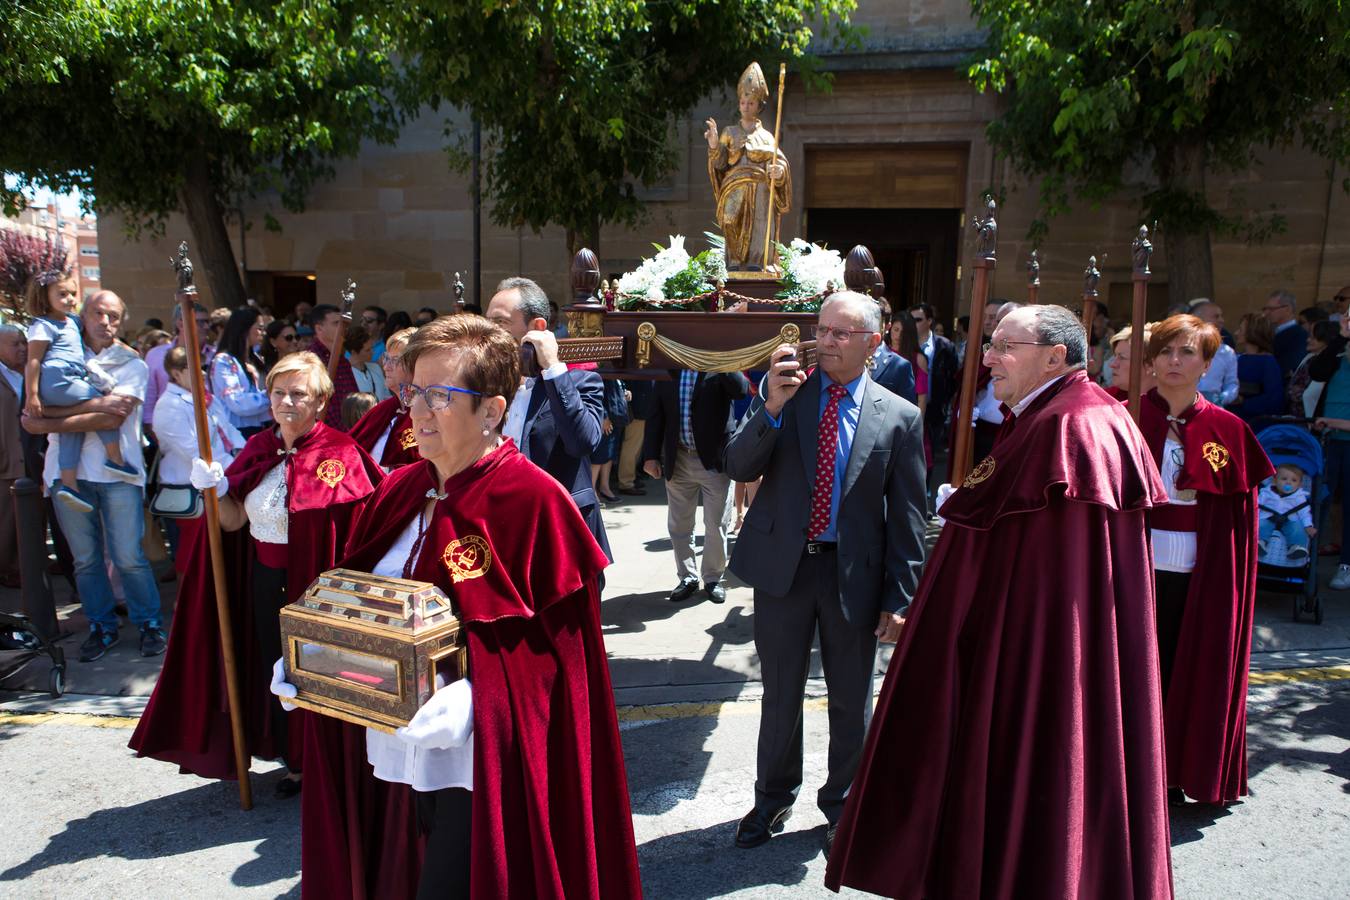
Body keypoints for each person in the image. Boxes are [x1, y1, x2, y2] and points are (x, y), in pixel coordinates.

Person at [282, 314, 643, 898]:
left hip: (482, 766)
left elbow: (561, 668)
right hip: (386, 744)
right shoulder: (398, 489)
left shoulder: (535, 503)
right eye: (412, 391)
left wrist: (477, 700)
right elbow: (353, 599)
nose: (417, 411)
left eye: (440, 396)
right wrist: (316, 657)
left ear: (493, 411)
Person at [826, 305, 1172, 897]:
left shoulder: (1070, 427)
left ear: (1055, 356)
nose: (986, 358)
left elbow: (1045, 566)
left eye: (1004, 346)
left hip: (1032, 653)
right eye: (990, 345)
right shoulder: (1053, 415)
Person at [724, 291, 927, 855]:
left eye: (842, 333)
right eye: (823, 330)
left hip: (852, 573)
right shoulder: (787, 396)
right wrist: (768, 405)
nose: (827, 341)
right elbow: (737, 464)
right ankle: (771, 798)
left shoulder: (899, 416)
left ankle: (844, 804)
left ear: (872, 341)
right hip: (784, 572)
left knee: (849, 697)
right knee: (780, 695)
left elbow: (909, 515)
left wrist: (901, 595)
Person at [129, 352, 381, 801]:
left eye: (298, 394)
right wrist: (216, 490)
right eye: (278, 393)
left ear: (320, 401)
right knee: (278, 676)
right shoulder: (259, 449)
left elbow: (363, 526)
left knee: (325, 676)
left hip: (319, 591)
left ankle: (332, 763)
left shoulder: (340, 453)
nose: (287, 402)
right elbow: (230, 524)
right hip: (266, 584)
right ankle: (296, 761)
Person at [1138, 314, 1271, 806]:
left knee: (1187, 669)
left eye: (1187, 352)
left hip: (1202, 573)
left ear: (1208, 364)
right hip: (1134, 568)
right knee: (1136, 668)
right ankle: (1129, 766)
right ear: (1150, 362)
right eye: (1166, 352)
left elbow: (1238, 518)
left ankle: (1178, 771)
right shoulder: (1127, 419)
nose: (1175, 362)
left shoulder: (1228, 429)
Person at [21, 291, 164, 660]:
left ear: (122, 322)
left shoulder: (133, 363)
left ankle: (149, 624)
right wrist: (99, 402)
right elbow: (31, 420)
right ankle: (102, 628)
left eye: (114, 316)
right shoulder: (60, 354)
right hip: (67, 476)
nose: (106, 322)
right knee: (85, 561)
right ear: (82, 316)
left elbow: (113, 418)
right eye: (99, 313)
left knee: (128, 556)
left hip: (119, 476)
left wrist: (55, 415)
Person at [484, 277, 610, 561]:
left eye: (500, 323)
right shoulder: (485, 385)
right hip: (496, 527)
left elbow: (583, 442)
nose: (489, 332)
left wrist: (553, 368)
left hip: (559, 535)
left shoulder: (579, 380)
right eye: (487, 321)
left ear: (537, 328)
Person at [22, 271, 138, 511]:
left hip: (68, 378)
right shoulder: (42, 326)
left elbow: (105, 336)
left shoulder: (72, 322)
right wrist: (32, 394)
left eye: (73, 293)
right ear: (45, 297)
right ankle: (115, 458)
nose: (70, 299)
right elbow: (33, 361)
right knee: (103, 402)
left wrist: (127, 349)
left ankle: (68, 483)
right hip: (58, 378)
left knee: (73, 428)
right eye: (62, 294)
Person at [643, 368, 750, 604]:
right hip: (678, 458)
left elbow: (741, 390)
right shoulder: (669, 366)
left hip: (713, 460)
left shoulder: (720, 364)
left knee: (716, 523)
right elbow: (656, 413)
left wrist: (721, 360)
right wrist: (650, 455)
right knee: (679, 523)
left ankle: (712, 578)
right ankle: (687, 577)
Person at [152, 346, 245, 576]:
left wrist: (246, 456)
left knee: (217, 557)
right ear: (176, 373)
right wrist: (236, 468)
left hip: (220, 483)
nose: (202, 373)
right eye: (193, 368)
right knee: (193, 556)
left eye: (203, 367)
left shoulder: (206, 399)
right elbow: (195, 451)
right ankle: (185, 607)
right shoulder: (169, 405)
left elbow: (229, 430)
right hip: (191, 489)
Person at [705, 62, 791, 271]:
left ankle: (756, 263)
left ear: (759, 105)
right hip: (734, 187)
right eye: (743, 102)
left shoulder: (766, 137)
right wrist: (715, 145)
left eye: (751, 103)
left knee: (760, 227)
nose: (746, 107)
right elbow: (720, 164)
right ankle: (734, 263)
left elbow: (780, 164)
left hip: (760, 189)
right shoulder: (729, 132)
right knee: (729, 220)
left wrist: (778, 172)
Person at [348, 327, 421, 472]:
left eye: (396, 360)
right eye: (386, 358)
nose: (386, 366)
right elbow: (348, 451)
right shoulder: (382, 411)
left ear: (416, 366)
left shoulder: (427, 413)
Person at [144, 300, 210, 438]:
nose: (207, 326)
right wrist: (151, 430)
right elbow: (149, 395)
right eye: (201, 322)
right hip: (171, 431)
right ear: (181, 323)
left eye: (208, 322)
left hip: (211, 429)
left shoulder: (215, 355)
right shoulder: (156, 355)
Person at [209, 307, 272, 436]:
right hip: (236, 433)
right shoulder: (224, 361)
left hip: (261, 428)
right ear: (244, 329)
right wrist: (272, 395)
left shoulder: (256, 359)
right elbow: (237, 402)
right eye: (259, 328)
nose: (263, 333)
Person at [910, 303, 959, 462]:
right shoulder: (904, 345)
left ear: (929, 321)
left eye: (918, 319)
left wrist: (945, 401)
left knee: (929, 458)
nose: (913, 323)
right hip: (910, 406)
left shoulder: (945, 346)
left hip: (935, 411)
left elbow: (954, 377)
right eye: (910, 320)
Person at [0, 324, 27, 586]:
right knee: (6, 520)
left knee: (30, 516)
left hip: (28, 458)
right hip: (6, 460)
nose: (21, 348)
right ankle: (7, 567)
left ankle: (25, 563)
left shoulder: (27, 373)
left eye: (23, 343)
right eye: (14, 344)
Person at [308, 304, 358, 430]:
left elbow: (354, 398)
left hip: (349, 433)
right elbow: (315, 403)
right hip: (325, 435)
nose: (343, 328)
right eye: (336, 323)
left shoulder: (343, 361)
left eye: (343, 324)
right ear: (319, 328)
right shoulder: (310, 361)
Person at [1231, 313, 1285, 420]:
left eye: (1241, 330)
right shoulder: (1239, 358)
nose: (1236, 333)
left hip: (1252, 421)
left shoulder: (1267, 362)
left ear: (1253, 333)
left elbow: (1274, 399)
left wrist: (1243, 401)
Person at [1258, 463, 1316, 563]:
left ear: (1299, 484)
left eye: (1294, 480)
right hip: (1268, 518)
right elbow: (1256, 507)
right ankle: (1260, 542)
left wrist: (1308, 525)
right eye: (1284, 479)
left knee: (1298, 527)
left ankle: (1296, 547)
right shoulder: (1266, 493)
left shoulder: (1299, 497)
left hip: (1289, 521)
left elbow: (1305, 514)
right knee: (1260, 524)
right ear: (1275, 481)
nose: (1288, 483)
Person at [1192, 302, 1239, 405]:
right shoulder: (1180, 349)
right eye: (1216, 316)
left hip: (1212, 409)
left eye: (1221, 316)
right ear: (1198, 319)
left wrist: (1222, 398)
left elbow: (1232, 384)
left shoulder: (1227, 353)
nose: (1221, 320)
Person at [591, 375, 628, 503]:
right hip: (605, 419)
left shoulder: (616, 373)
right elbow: (598, 397)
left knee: (609, 454)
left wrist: (626, 393)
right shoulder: (603, 372)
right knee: (599, 457)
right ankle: (592, 491)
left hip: (615, 418)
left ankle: (605, 487)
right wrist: (604, 417)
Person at [615, 379, 653, 496]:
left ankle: (630, 478)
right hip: (637, 410)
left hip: (641, 408)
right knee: (631, 447)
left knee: (635, 447)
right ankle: (626, 482)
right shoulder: (636, 366)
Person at [1102, 323, 1156, 400]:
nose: (1113, 364)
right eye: (1115, 356)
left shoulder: (1170, 406)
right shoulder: (1105, 399)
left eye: (1122, 358)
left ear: (1150, 365)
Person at [1264, 289, 1308, 378]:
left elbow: (1289, 367)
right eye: (1266, 309)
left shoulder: (1299, 335)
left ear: (1287, 309)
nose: (1266, 313)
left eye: (1272, 309)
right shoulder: (1270, 331)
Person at [345, 324, 391, 401]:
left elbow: (386, 395)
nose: (372, 352)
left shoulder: (376, 368)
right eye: (367, 350)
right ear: (353, 352)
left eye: (372, 348)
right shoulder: (346, 373)